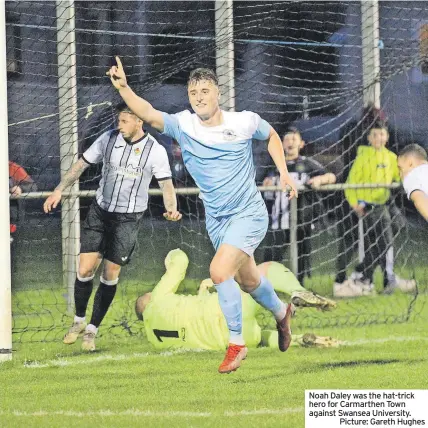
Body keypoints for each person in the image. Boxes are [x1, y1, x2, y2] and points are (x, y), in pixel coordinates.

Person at [107, 57, 298, 374]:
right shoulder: (183, 125)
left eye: (205, 90)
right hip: (218, 221)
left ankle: (236, 345)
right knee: (247, 280)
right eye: (193, 92)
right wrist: (124, 88)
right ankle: (282, 312)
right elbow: (148, 113)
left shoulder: (242, 122)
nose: (198, 96)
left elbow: (273, 136)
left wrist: (284, 174)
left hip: (248, 213)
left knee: (219, 271)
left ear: (217, 93)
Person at [43, 103, 181, 352]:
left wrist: (171, 207)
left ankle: (92, 329)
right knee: (85, 268)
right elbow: (81, 164)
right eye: (119, 120)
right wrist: (59, 189)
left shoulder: (154, 151)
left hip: (127, 219)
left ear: (140, 121)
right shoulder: (108, 139)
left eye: (125, 121)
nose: (120, 125)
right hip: (100, 211)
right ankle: (78, 321)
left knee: (110, 274)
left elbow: (166, 185)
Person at [135, 249, 338, 353]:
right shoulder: (157, 299)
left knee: (260, 337)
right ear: (147, 302)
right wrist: (170, 257)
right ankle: (298, 291)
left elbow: (190, 326)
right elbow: (180, 261)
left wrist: (201, 295)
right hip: (227, 310)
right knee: (262, 271)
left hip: (232, 339)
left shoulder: (155, 341)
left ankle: (297, 340)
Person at [335, 121, 415, 297]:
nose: (379, 138)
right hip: (369, 206)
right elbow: (350, 184)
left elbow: (398, 176)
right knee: (384, 242)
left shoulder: (391, 157)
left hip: (385, 203)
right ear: (369, 138)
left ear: (386, 137)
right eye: (375, 135)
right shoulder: (363, 157)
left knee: (398, 226)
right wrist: (355, 203)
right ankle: (377, 278)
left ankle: (366, 273)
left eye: (382, 134)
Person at [262, 127, 336, 283]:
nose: (290, 142)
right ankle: (263, 285)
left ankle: (299, 285)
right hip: (279, 220)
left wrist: (320, 180)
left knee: (302, 253)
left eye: (294, 139)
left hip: (302, 218)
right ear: (281, 144)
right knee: (272, 254)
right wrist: (266, 184)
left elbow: (331, 176)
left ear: (301, 144)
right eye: (287, 139)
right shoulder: (273, 166)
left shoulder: (308, 164)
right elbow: (262, 185)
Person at [398, 144, 428, 221]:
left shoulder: (412, 176)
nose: (400, 174)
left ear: (410, 163)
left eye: (400, 168)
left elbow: (419, 199)